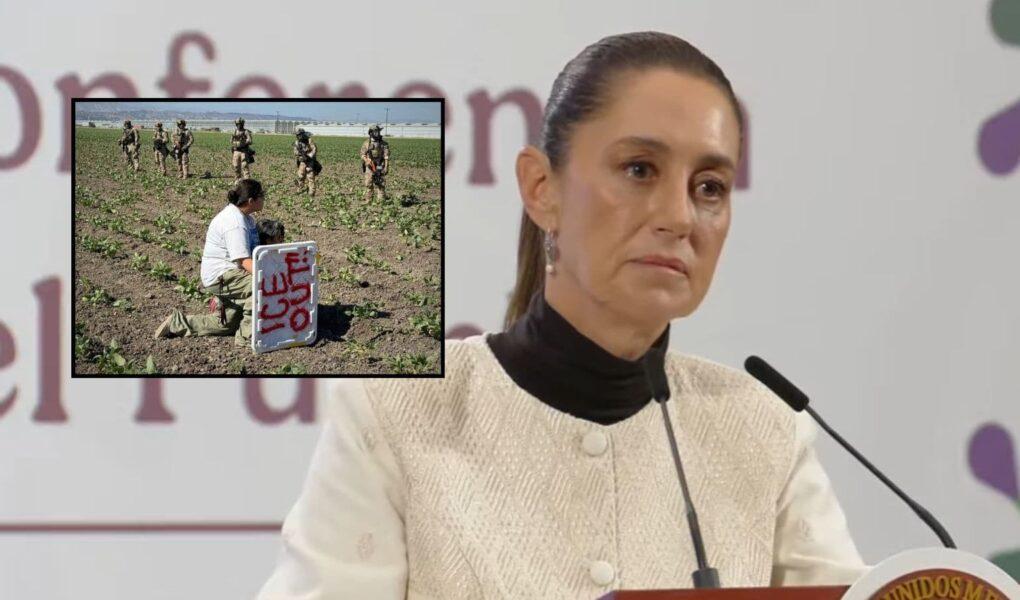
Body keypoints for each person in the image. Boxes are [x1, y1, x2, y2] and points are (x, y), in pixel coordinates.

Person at [257, 32, 868, 599]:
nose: (680, 217)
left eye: (709, 186)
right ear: (541, 188)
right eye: (639, 170)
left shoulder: (765, 431)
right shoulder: (397, 410)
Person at [153, 179, 265, 347]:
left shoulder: (247, 219)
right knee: (260, 286)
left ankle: (176, 323)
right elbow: (243, 260)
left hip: (230, 275)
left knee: (227, 324)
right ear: (251, 201)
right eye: (262, 195)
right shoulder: (235, 222)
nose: (264, 199)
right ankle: (247, 337)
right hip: (222, 275)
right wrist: (269, 276)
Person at [360, 124, 389, 202]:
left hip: (380, 165)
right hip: (370, 166)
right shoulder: (366, 143)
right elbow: (362, 154)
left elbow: (386, 157)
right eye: (376, 132)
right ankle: (368, 200)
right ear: (371, 133)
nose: (378, 133)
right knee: (368, 183)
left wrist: (386, 167)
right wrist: (367, 160)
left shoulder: (384, 144)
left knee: (380, 183)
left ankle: (381, 200)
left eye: (378, 132)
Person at [293, 128, 321, 196]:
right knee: (300, 176)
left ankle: (311, 192)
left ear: (303, 134)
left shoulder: (309, 140)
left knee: (310, 176)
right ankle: (299, 189)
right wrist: (300, 156)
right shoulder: (297, 142)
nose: (298, 136)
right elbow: (295, 152)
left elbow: (314, 149)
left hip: (310, 161)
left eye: (299, 135)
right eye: (297, 135)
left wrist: (310, 155)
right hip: (302, 161)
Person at [231, 117, 255, 183]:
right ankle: (237, 180)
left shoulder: (246, 132)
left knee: (244, 166)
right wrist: (235, 143)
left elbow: (250, 141)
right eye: (238, 124)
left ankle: (247, 181)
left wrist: (244, 141)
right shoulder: (234, 131)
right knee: (236, 166)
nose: (239, 125)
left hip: (243, 151)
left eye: (240, 124)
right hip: (236, 151)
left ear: (242, 124)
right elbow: (231, 140)